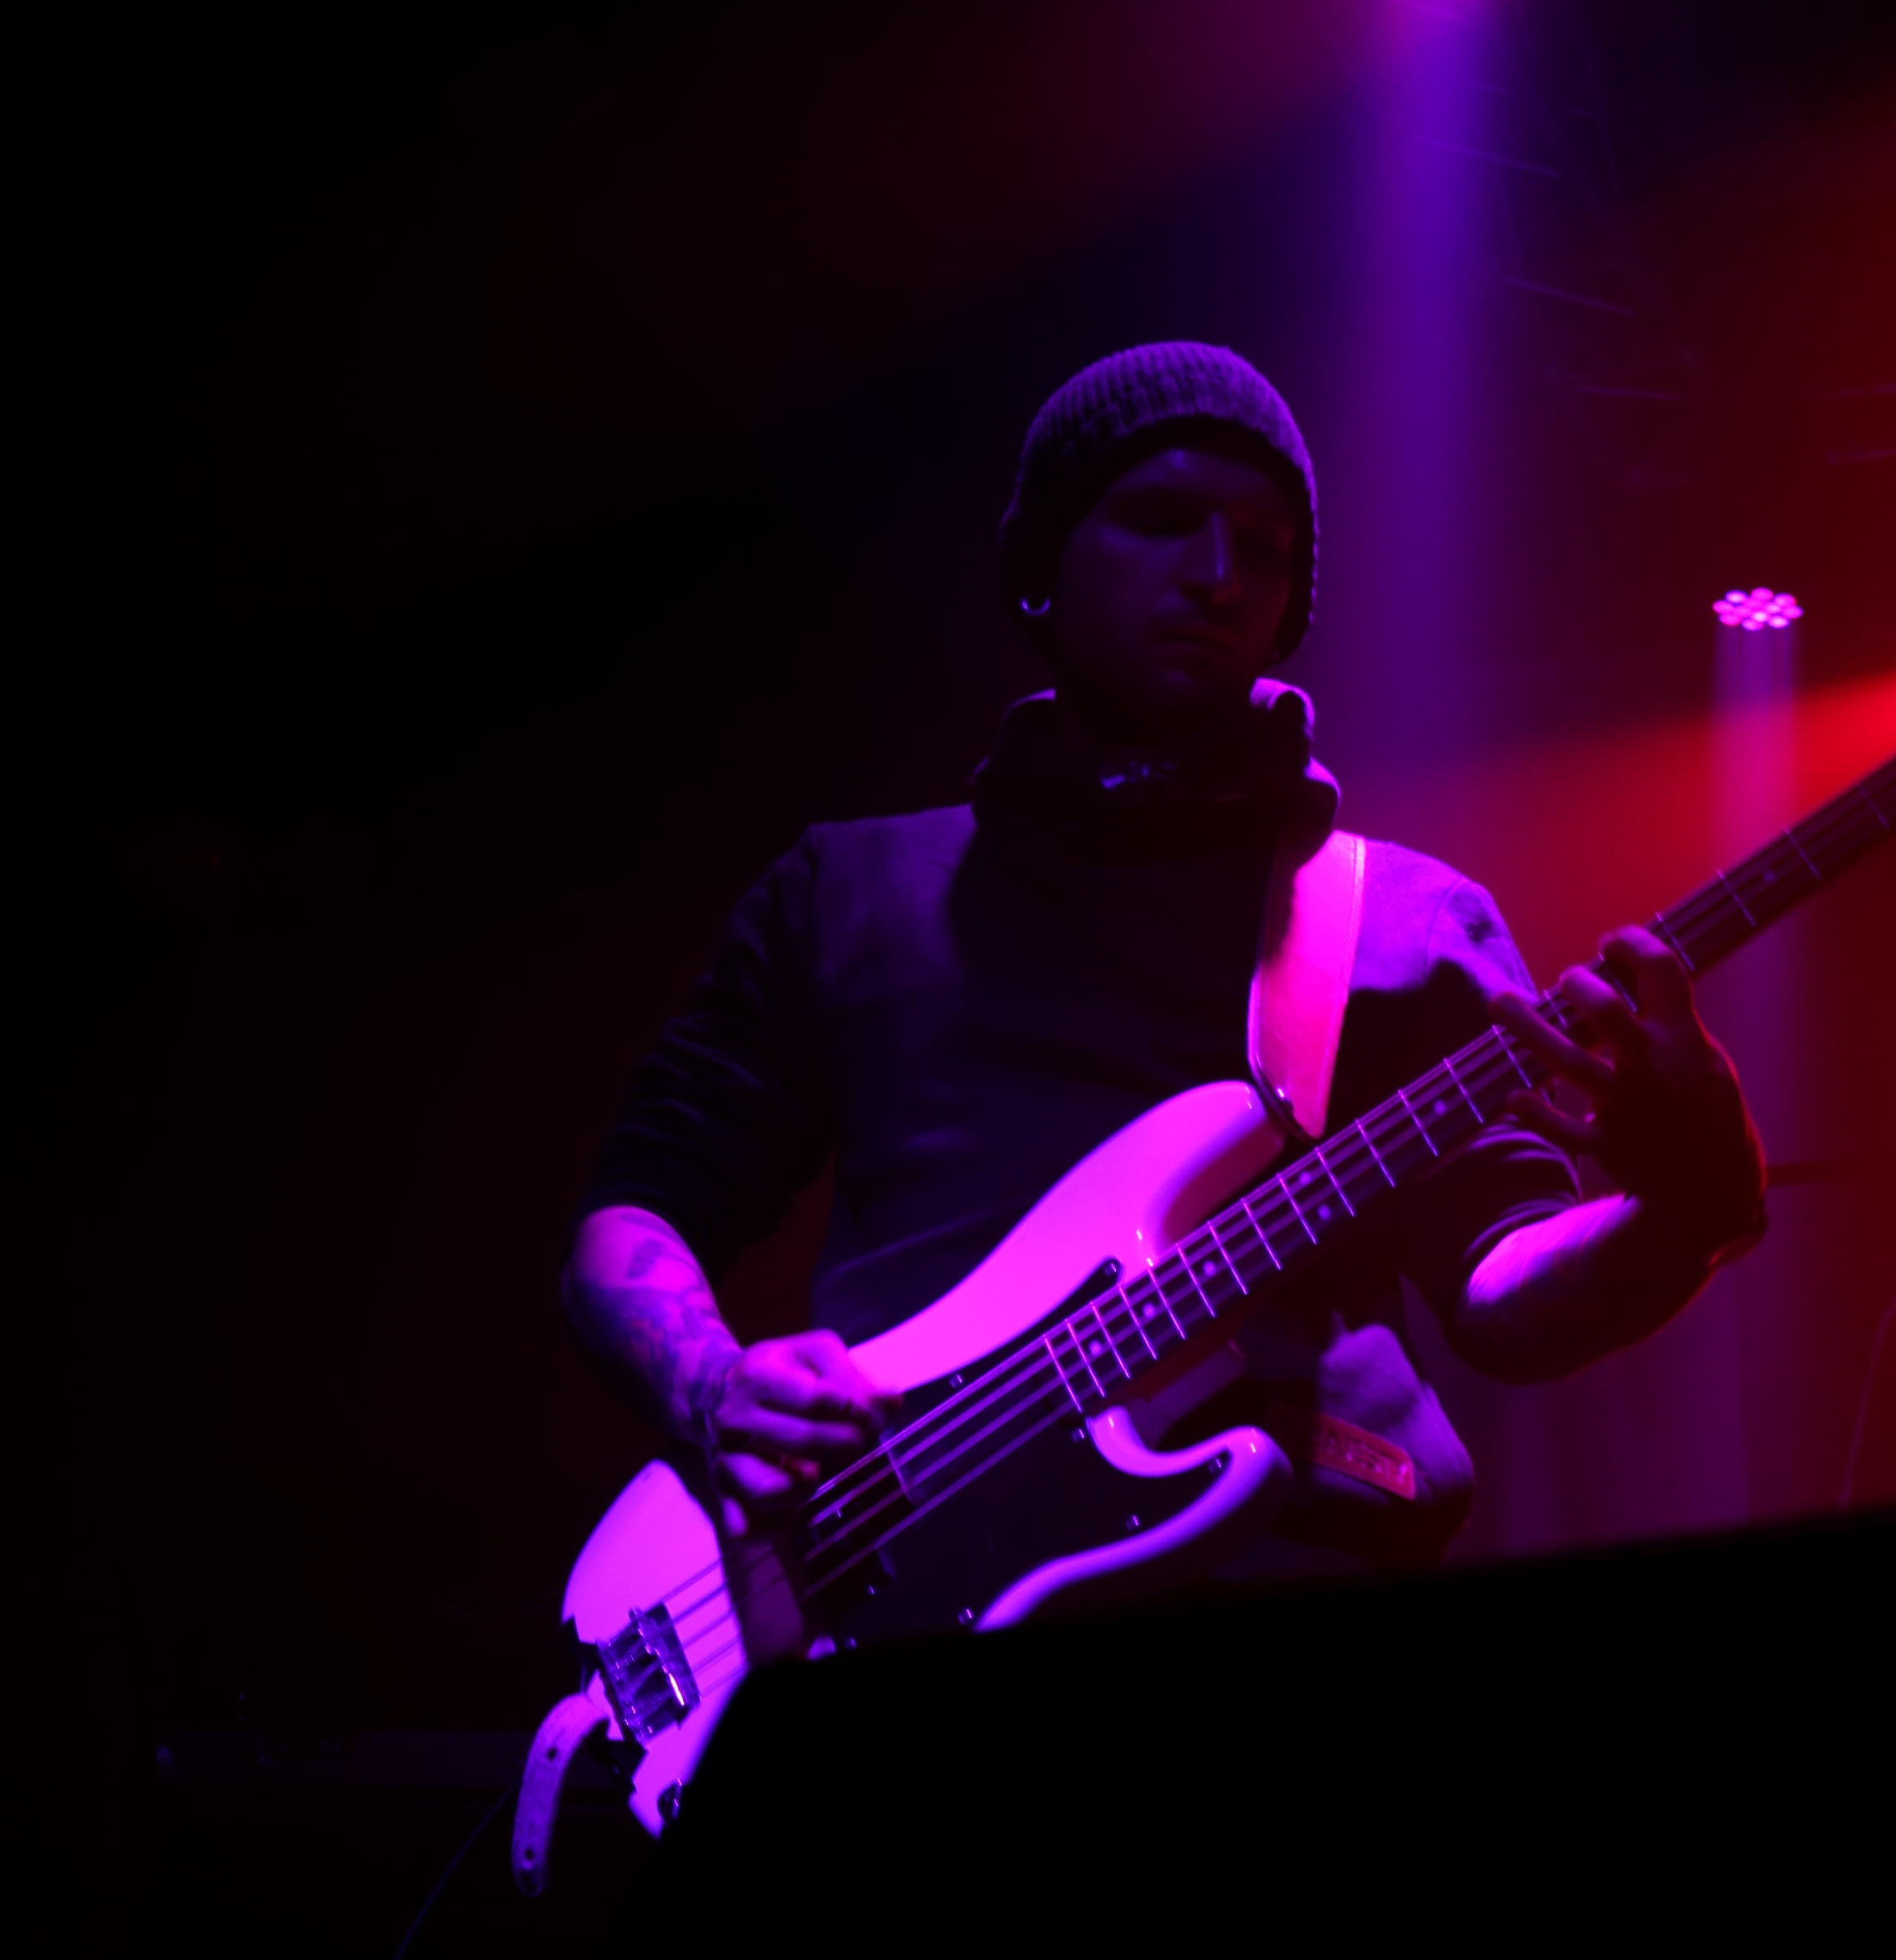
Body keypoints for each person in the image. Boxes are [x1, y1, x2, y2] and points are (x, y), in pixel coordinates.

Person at [562, 342, 1766, 1608]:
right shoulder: (850, 890)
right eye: (1158, 517)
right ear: (1039, 568)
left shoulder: (1400, 920)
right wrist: (711, 1387)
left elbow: (1503, 1291)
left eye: (1265, 546)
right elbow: (632, 1216)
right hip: (870, 1592)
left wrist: (1684, 1208)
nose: (1218, 574)